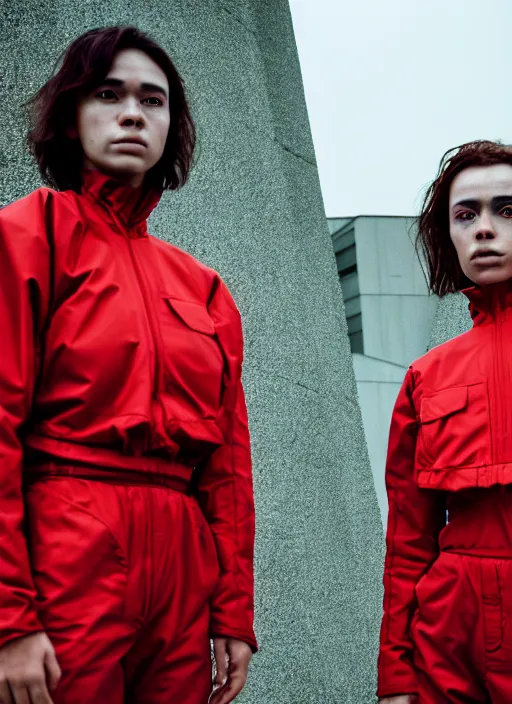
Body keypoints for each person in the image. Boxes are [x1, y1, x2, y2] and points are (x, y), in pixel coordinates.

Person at [0, 25, 257, 704]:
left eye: (154, 99)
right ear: (70, 114)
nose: (133, 113)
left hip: (182, 564)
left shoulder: (204, 287)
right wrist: (9, 620)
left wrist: (232, 612)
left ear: (172, 126)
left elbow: (228, 467)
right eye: (108, 94)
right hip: (67, 543)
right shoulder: (29, 235)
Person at [377, 139, 512, 704]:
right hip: (448, 636)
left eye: (507, 210)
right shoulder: (426, 375)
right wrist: (396, 675)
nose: (484, 228)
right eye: (466, 213)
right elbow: (408, 537)